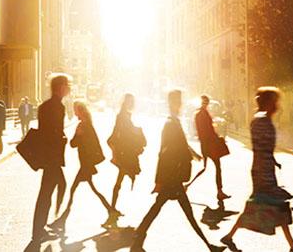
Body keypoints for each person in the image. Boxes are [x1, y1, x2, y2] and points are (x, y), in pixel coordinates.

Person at [131, 90, 224, 252]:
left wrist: (193, 154)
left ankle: (138, 239)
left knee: (160, 209)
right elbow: (164, 152)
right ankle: (210, 247)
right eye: (178, 101)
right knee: (185, 214)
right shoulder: (171, 124)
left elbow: (180, 145)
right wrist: (159, 180)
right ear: (173, 103)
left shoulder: (173, 122)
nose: (181, 104)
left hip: (173, 177)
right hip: (172, 177)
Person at [221, 87, 293, 252]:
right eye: (275, 101)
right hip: (262, 170)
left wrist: (273, 160)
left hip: (264, 167)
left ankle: (229, 236)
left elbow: (263, 147)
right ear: (268, 103)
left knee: (260, 204)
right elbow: (262, 147)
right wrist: (269, 163)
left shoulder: (261, 119)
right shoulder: (262, 121)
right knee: (276, 205)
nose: (277, 105)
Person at [47, 100, 120, 233]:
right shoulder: (85, 125)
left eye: (76, 110)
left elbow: (78, 144)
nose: (74, 112)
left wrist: (79, 136)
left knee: (73, 191)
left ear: (80, 111)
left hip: (86, 165)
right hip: (86, 164)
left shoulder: (84, 126)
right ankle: (111, 211)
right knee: (92, 190)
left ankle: (61, 222)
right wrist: (78, 136)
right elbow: (75, 144)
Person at [31, 74, 70, 243]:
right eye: (67, 85)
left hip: (48, 156)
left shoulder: (46, 105)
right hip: (52, 156)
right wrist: (62, 138)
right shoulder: (57, 107)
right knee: (48, 191)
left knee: (50, 190)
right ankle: (43, 228)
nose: (69, 88)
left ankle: (42, 227)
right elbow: (53, 132)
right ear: (60, 87)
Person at [107, 93, 145, 227]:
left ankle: (112, 210)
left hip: (125, 152)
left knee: (120, 180)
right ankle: (111, 212)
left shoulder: (125, 115)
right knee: (119, 181)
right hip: (124, 153)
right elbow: (120, 133)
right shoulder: (123, 116)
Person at [195, 95, 230, 201]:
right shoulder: (204, 114)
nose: (206, 104)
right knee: (217, 167)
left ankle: (187, 185)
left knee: (205, 167)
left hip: (204, 145)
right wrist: (217, 139)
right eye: (205, 102)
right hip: (210, 145)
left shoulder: (197, 114)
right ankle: (220, 191)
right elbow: (208, 131)